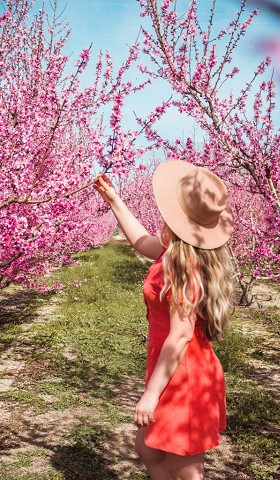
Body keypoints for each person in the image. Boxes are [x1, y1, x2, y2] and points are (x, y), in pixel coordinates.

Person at [94, 159, 234, 480]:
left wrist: (151, 395)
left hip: (185, 375)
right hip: (175, 366)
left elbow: (180, 336)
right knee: (148, 449)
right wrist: (114, 200)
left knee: (184, 467)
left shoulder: (183, 268)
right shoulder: (174, 251)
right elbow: (141, 241)